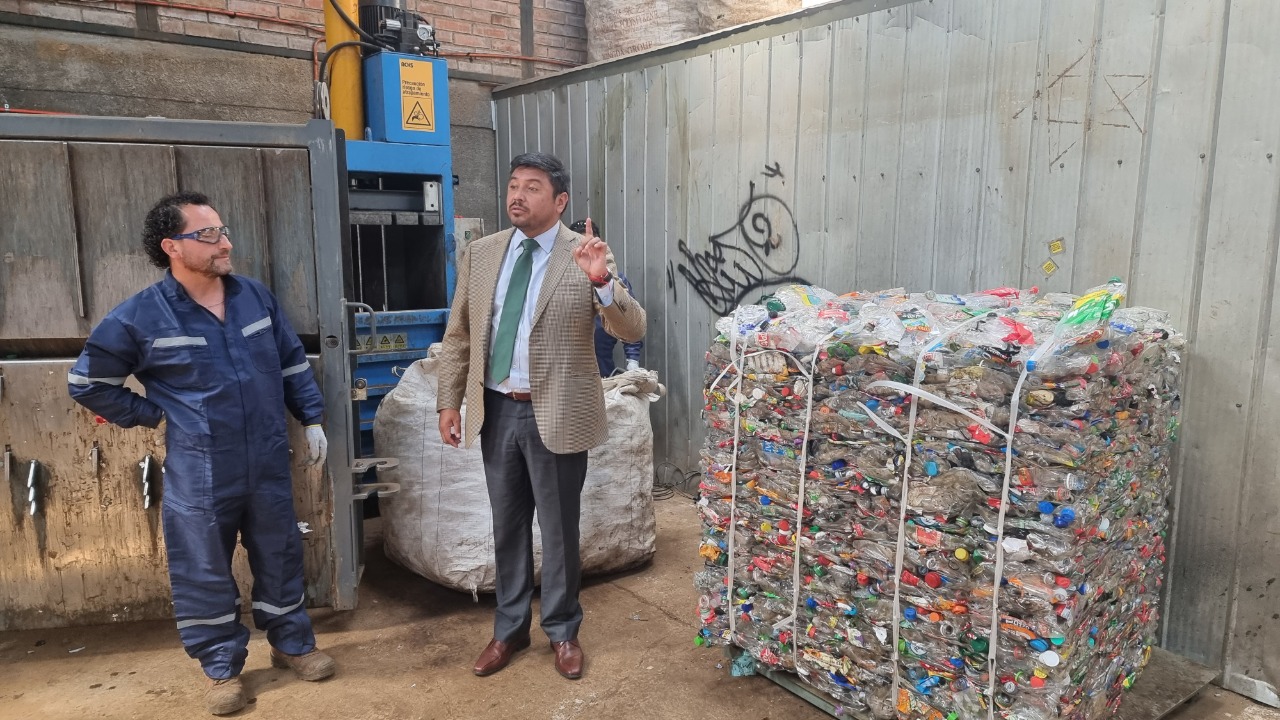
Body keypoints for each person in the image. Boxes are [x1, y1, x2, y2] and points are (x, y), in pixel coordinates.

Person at [67, 192, 337, 715]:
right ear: (172, 246)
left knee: (280, 553)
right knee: (203, 568)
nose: (224, 243)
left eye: (223, 231)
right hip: (201, 465)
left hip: (266, 457)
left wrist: (313, 417)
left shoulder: (253, 298)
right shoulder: (139, 317)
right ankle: (220, 669)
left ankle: (292, 645)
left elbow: (289, 363)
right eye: (208, 235)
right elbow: (88, 383)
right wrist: (153, 415)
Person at [436, 153, 646, 681]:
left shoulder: (587, 254)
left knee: (558, 531)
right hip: (497, 410)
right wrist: (449, 400)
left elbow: (632, 328)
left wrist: (602, 283)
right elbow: (459, 334)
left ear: (559, 202)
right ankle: (507, 630)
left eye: (532, 187)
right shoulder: (483, 255)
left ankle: (562, 630)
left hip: (557, 414)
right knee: (506, 529)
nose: (518, 195)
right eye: (513, 185)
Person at [568, 219, 644, 377]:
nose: (585, 250)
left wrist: (632, 360)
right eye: (580, 245)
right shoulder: (562, 282)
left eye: (590, 245)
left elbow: (628, 320)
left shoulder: (612, 281)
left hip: (602, 368)